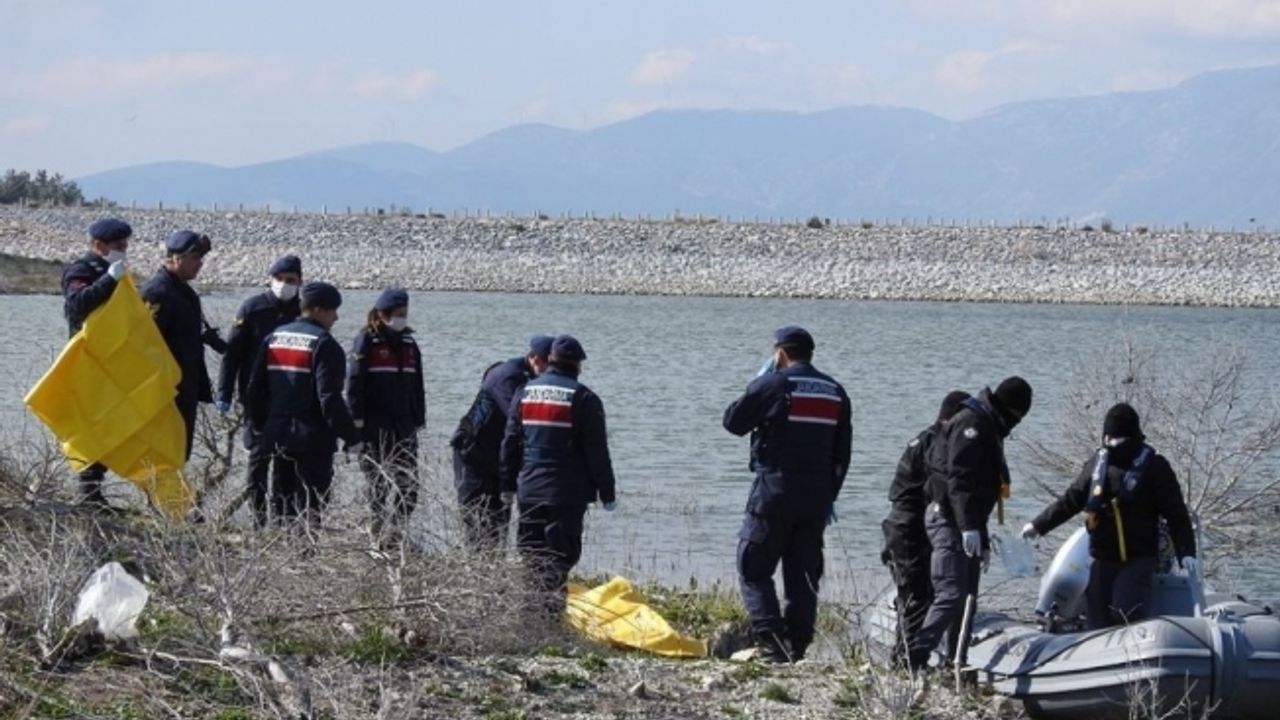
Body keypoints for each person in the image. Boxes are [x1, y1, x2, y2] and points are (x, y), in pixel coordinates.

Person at [723, 326, 853, 664]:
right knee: (803, 576)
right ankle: (798, 646)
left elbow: (733, 423)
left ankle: (772, 642)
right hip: (817, 498)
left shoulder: (773, 384)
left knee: (753, 567)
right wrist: (829, 496)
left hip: (774, 493)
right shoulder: (835, 392)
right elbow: (842, 454)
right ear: (811, 354)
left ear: (780, 353)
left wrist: (756, 384)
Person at [1022, 403, 1196, 629]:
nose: (1109, 442)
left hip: (1138, 557)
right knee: (1097, 615)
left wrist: (1186, 552)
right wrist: (1038, 525)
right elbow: (1071, 500)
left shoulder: (1155, 467)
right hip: (1103, 556)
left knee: (1123, 608)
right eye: (1107, 437)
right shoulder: (1097, 464)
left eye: (1115, 438)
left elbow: (1176, 513)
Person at [907, 376, 1033, 670]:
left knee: (967, 600)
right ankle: (914, 657)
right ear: (1009, 409)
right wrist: (968, 528)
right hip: (947, 518)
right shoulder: (972, 424)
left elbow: (978, 492)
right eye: (1017, 417)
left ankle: (955, 662)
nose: (1015, 424)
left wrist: (982, 538)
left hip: (968, 521)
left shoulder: (989, 425)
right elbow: (959, 480)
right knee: (951, 595)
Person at [500, 335, 617, 610]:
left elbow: (510, 444)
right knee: (559, 559)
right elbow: (597, 453)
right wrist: (607, 493)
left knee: (531, 557)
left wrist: (507, 485)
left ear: (550, 360)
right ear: (577, 365)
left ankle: (531, 617)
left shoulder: (524, 392)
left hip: (530, 490)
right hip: (566, 494)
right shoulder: (585, 398)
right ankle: (551, 618)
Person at [246, 281, 361, 528]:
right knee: (311, 507)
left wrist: (259, 426)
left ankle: (280, 547)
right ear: (318, 310)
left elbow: (255, 389)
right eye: (333, 311)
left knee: (282, 503)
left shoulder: (274, 338)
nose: (336, 317)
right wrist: (351, 437)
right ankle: (304, 550)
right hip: (313, 441)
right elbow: (329, 399)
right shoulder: (325, 344)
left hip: (278, 436)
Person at [881, 390, 970, 665]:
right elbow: (940, 489)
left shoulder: (926, 437)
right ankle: (907, 661)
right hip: (910, 525)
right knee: (917, 595)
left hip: (901, 522)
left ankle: (905, 656)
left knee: (915, 593)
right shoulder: (937, 443)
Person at [215, 254, 303, 526]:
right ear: (271, 279)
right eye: (279, 278)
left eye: (290, 280)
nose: (284, 284)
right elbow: (232, 355)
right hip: (256, 397)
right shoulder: (253, 308)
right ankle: (258, 518)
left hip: (290, 400)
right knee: (258, 460)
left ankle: (282, 519)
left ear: (300, 282)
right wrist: (224, 392)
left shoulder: (303, 311)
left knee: (286, 462)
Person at [450, 335, 553, 550]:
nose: (551, 370)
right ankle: (474, 564)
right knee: (475, 517)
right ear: (535, 358)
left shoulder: (532, 378)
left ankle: (494, 564)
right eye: (548, 364)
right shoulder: (507, 375)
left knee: (499, 519)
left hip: (499, 454)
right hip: (473, 453)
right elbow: (519, 418)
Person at [61, 218, 131, 507]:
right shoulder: (81, 270)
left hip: (111, 359)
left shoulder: (114, 271)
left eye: (125, 245)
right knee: (91, 424)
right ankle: (87, 491)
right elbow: (77, 305)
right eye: (118, 246)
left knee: (109, 423)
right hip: (88, 359)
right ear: (99, 245)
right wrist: (108, 280)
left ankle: (96, 490)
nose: (123, 250)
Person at [345, 288, 425, 543]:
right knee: (377, 484)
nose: (402, 318)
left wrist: (419, 418)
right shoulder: (366, 341)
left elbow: (417, 384)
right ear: (382, 314)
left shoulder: (409, 344)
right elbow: (354, 383)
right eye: (398, 314)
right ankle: (376, 532)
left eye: (405, 313)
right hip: (374, 426)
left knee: (409, 484)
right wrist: (355, 423)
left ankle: (397, 534)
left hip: (404, 426)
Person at [141, 230, 225, 462]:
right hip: (164, 393)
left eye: (201, 258)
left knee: (179, 454)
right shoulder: (157, 292)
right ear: (176, 258)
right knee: (161, 457)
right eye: (195, 258)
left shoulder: (184, 291)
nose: (200, 264)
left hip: (184, 387)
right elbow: (144, 344)